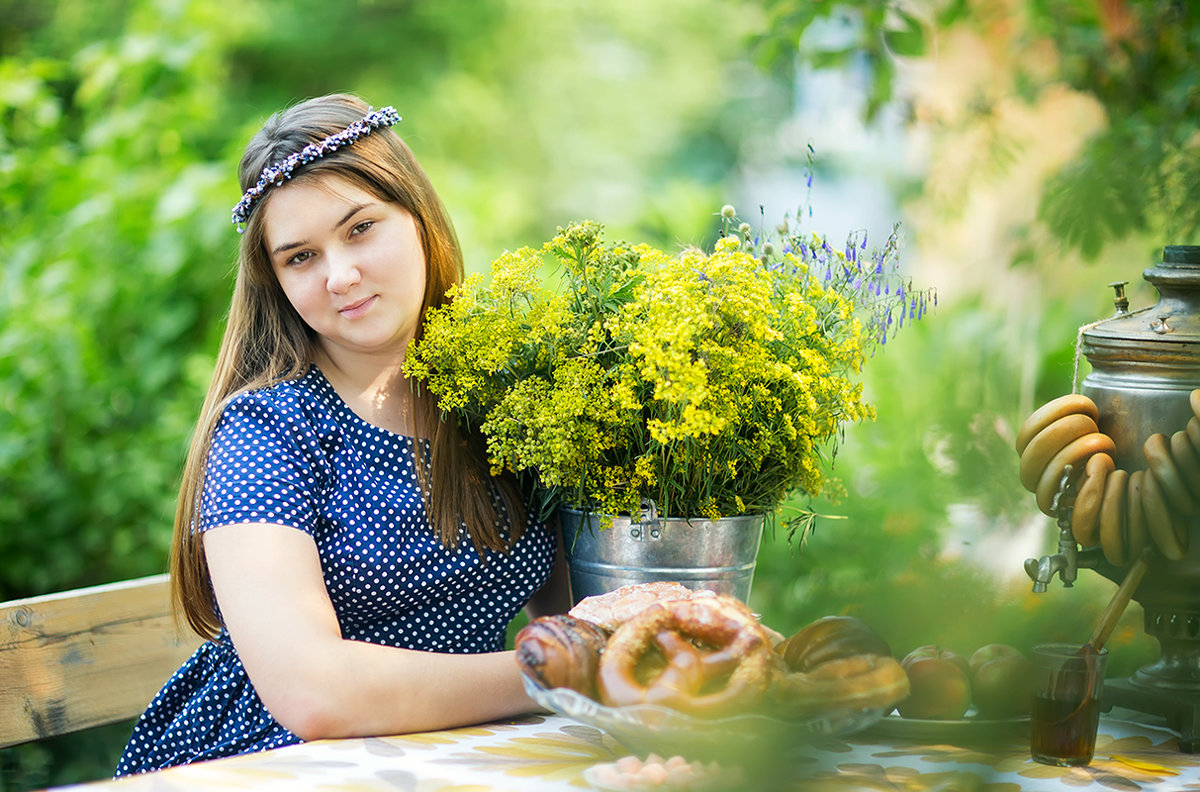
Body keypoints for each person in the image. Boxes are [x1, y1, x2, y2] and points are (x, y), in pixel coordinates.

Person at [115, 93, 570, 775]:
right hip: (264, 765)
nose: (340, 276)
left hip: (456, 758)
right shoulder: (268, 429)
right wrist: (560, 675)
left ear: (418, 217)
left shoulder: (507, 400)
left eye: (360, 228)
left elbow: (585, 610)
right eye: (300, 257)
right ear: (275, 279)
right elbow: (312, 694)